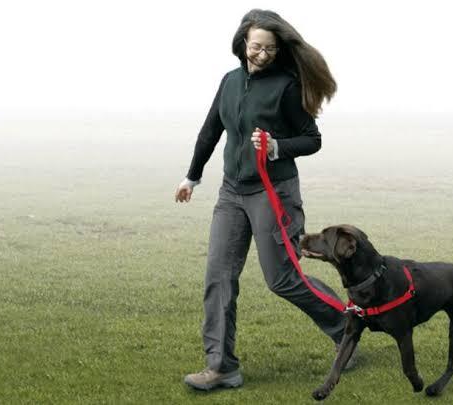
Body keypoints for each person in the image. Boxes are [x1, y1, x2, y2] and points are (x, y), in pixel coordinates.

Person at [176, 9, 353, 391]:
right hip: (231, 193)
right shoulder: (229, 81)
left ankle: (345, 329)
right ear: (242, 43)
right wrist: (192, 176)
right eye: (255, 46)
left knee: (282, 279)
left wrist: (276, 147)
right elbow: (211, 131)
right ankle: (221, 366)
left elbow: (312, 139)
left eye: (269, 50)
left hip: (274, 195)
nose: (260, 54)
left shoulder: (287, 87)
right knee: (219, 277)